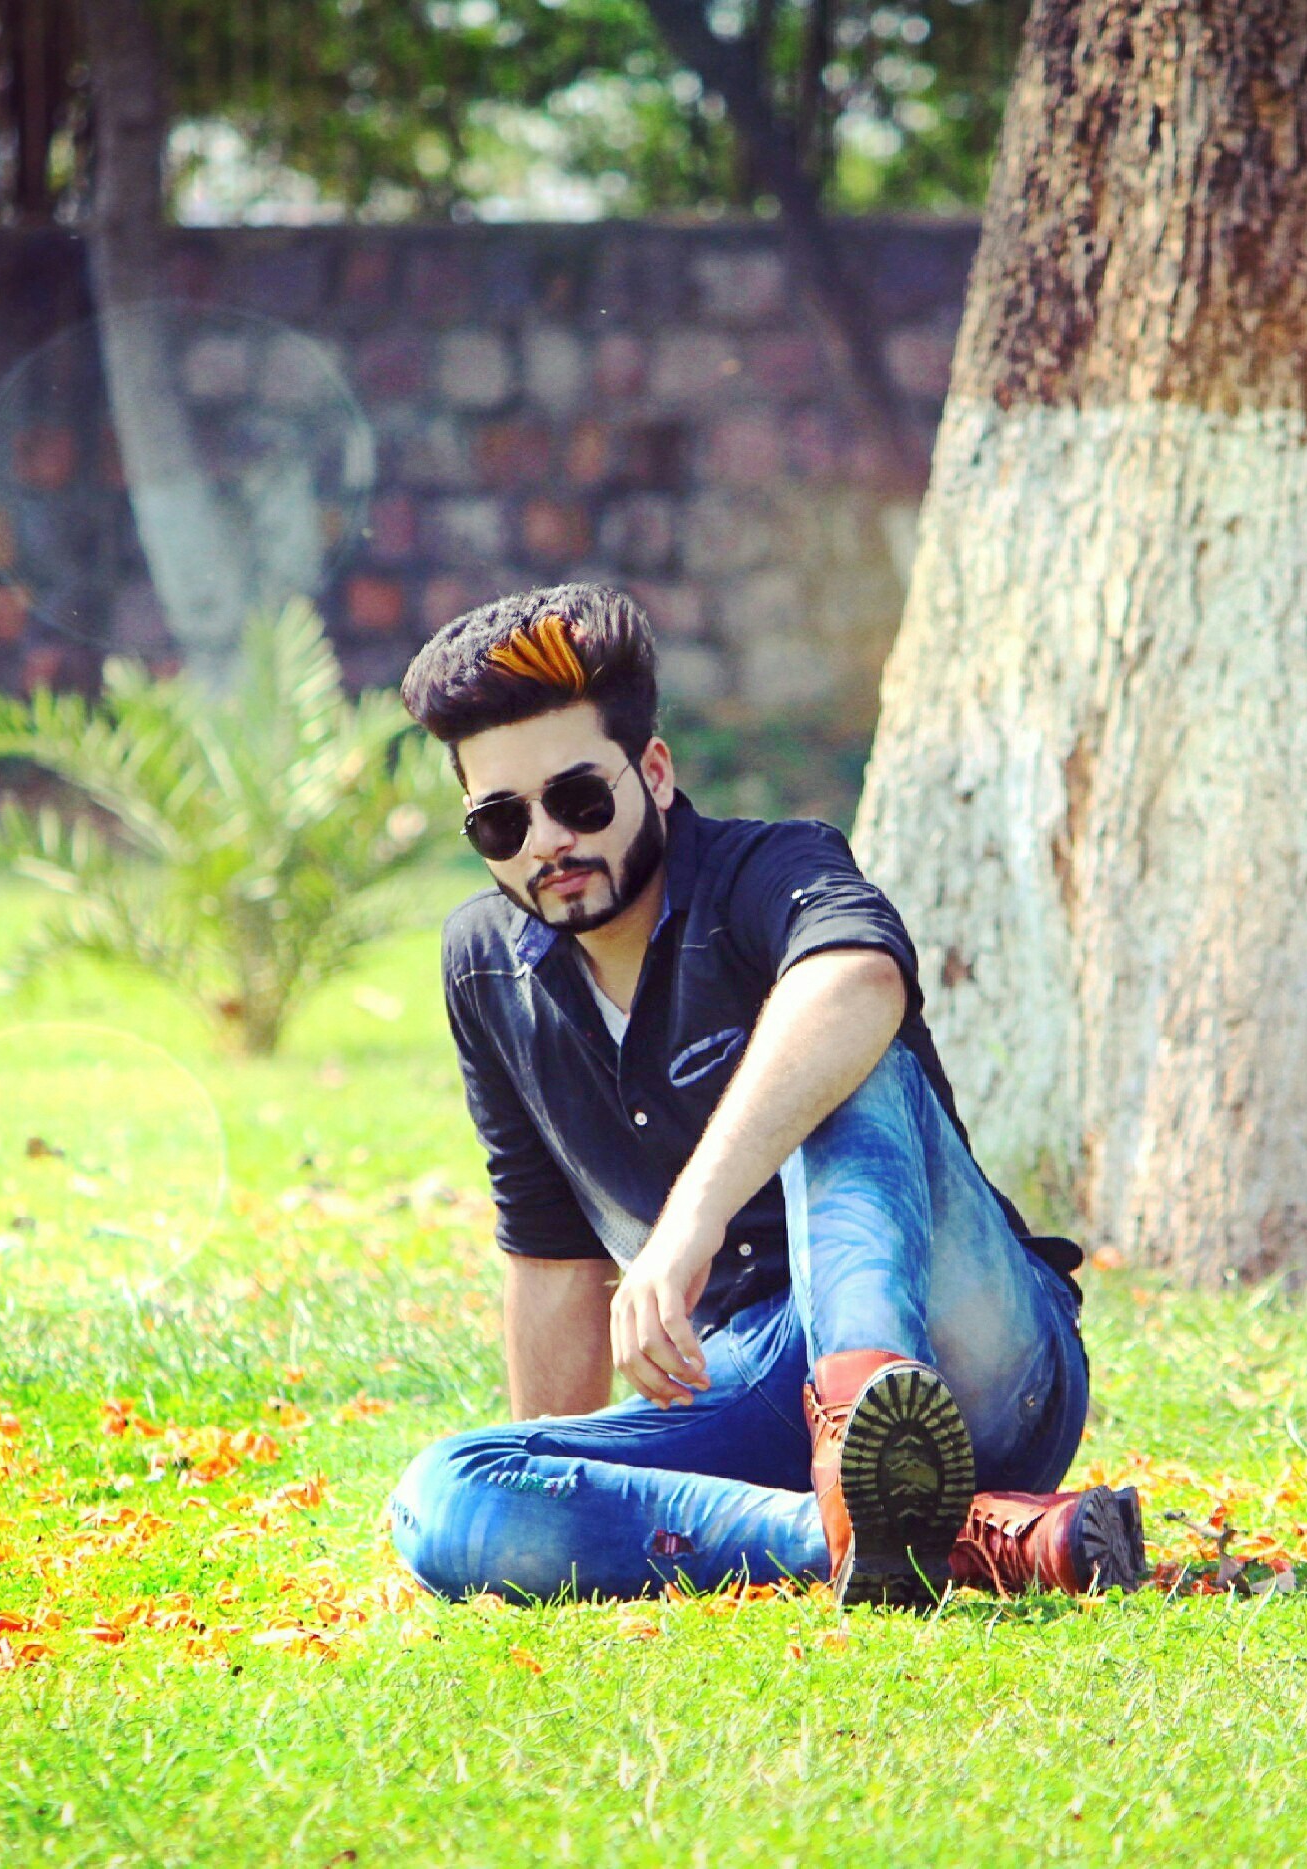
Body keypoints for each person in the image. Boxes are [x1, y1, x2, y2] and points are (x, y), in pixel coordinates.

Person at [385, 583, 1143, 1608]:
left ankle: (865, 1420)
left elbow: (858, 983)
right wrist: (563, 1467)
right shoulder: (485, 966)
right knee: (449, 1492)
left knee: (839, 1047)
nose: (545, 842)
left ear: (654, 773)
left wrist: (685, 1226)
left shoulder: (770, 868)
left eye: (578, 800)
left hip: (978, 1354)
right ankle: (936, 1537)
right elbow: (552, 1252)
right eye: (500, 820)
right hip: (752, 1387)